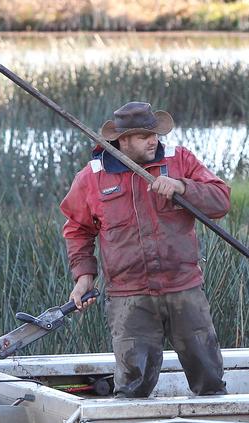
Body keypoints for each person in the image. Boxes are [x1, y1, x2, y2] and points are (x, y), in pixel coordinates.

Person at [60, 101, 231, 398]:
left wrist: (182, 187)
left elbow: (221, 201)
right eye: (144, 136)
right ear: (123, 140)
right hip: (129, 298)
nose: (154, 140)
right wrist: (84, 276)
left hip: (184, 289)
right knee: (132, 388)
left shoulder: (181, 162)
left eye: (155, 134)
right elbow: (77, 229)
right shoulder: (92, 177)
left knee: (209, 379)